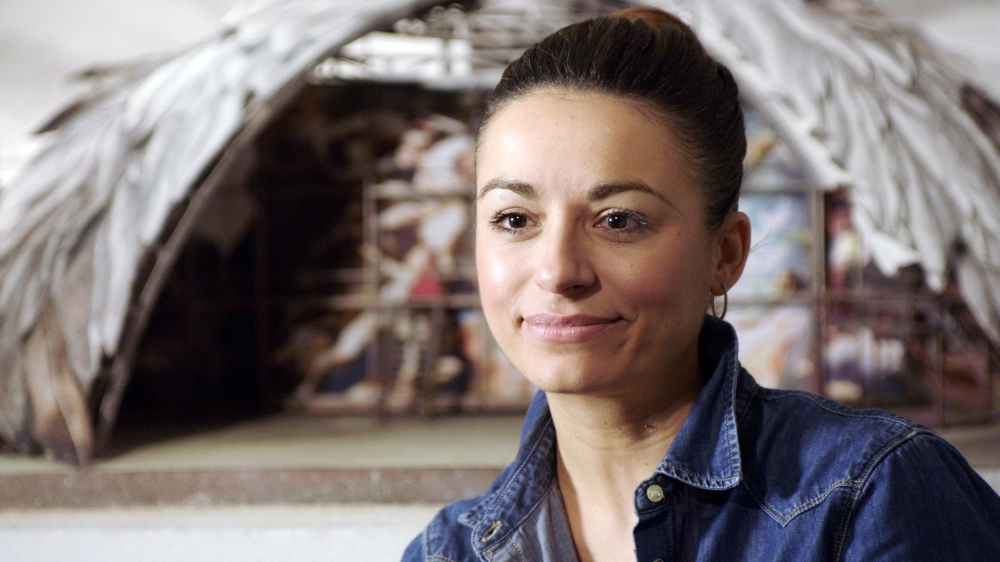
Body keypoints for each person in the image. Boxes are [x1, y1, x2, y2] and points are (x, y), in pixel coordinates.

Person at [402, 7, 1000, 561]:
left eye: (619, 221)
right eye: (514, 220)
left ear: (725, 253)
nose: (558, 271)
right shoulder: (446, 551)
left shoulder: (872, 496)